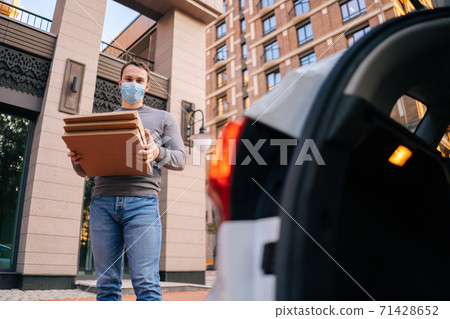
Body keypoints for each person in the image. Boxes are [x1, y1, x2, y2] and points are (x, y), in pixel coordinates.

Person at [68, 61, 186, 301]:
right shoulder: (103, 120)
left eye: (139, 81)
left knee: (146, 283)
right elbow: (84, 172)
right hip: (102, 204)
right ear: (119, 83)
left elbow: (181, 160)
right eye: (129, 79)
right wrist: (77, 159)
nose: (133, 84)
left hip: (142, 205)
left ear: (147, 86)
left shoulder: (163, 118)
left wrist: (157, 153)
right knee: (107, 285)